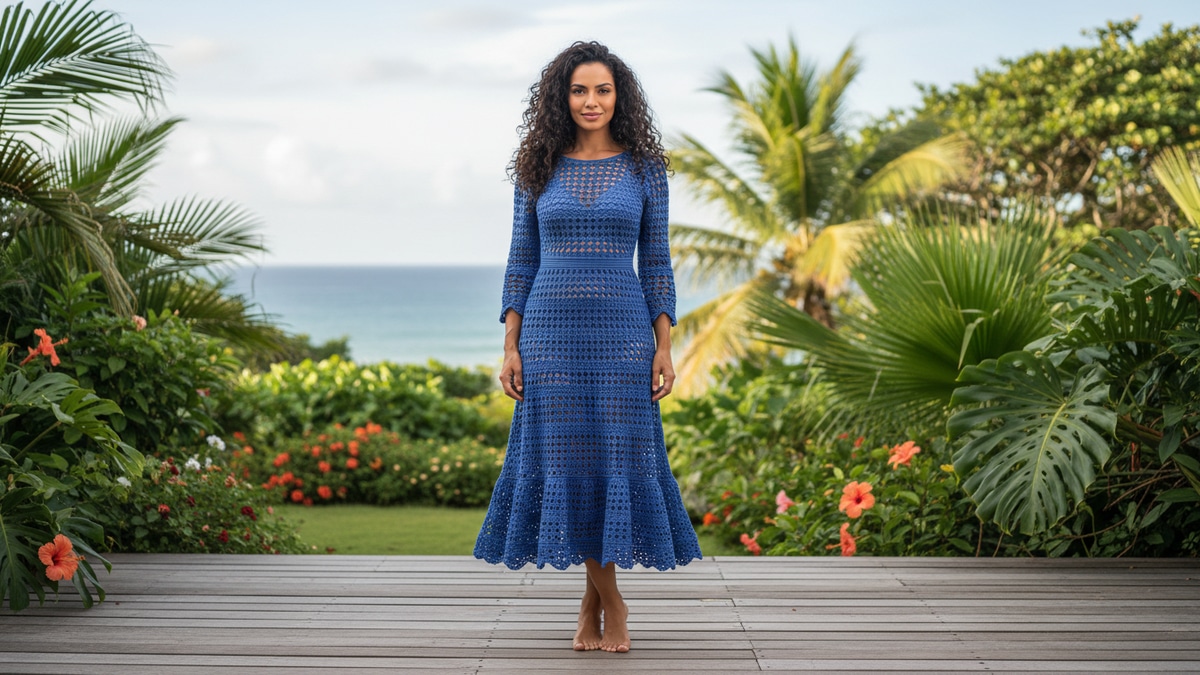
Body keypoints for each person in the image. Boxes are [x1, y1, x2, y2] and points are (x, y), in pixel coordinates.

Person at [473, 40, 702, 654]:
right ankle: (612, 605)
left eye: (602, 89)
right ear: (561, 97)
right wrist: (511, 345)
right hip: (549, 338)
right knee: (570, 467)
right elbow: (522, 259)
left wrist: (664, 345)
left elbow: (656, 261)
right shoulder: (536, 167)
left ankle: (592, 606)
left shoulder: (645, 169)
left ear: (619, 95)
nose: (591, 101)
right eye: (579, 90)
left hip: (624, 338)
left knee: (614, 466)